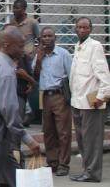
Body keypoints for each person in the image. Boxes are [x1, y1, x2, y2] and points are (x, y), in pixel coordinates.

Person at [0, 27, 41, 187]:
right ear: (6, 45)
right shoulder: (6, 69)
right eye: (20, 46)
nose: (23, 50)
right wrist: (27, 139)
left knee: (9, 165)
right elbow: (8, 107)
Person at [69, 17, 110, 183]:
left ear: (90, 29)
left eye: (85, 27)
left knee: (91, 141)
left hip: (91, 103)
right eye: (79, 27)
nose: (81, 30)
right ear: (75, 29)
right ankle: (87, 171)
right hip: (77, 101)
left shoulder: (95, 46)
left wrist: (101, 97)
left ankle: (92, 174)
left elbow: (104, 75)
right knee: (82, 140)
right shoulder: (78, 46)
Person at [32, 27, 72, 177]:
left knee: (63, 132)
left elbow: (71, 75)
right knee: (48, 131)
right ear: (40, 39)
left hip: (60, 95)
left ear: (55, 38)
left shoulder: (63, 54)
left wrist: (70, 97)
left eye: (50, 36)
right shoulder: (39, 55)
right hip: (45, 96)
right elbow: (35, 76)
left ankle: (63, 164)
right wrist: (39, 59)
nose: (47, 39)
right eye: (44, 36)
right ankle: (53, 162)